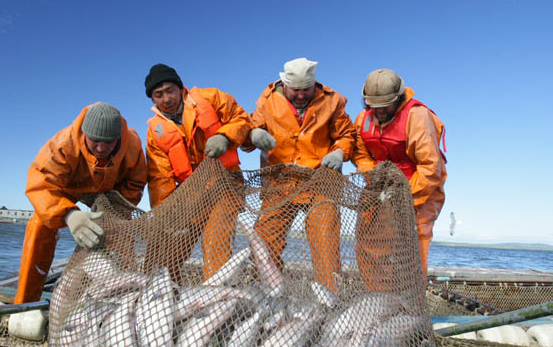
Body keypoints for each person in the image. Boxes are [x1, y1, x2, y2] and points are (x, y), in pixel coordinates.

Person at [13, 102, 147, 304]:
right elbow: (41, 184)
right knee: (39, 225)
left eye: (109, 142)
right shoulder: (63, 143)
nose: (101, 148)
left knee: (123, 233)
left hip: (111, 192)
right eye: (94, 141)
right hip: (69, 188)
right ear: (84, 133)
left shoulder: (133, 145)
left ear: (118, 138)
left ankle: (126, 301)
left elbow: (135, 183)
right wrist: (68, 214)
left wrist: (114, 209)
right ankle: (25, 302)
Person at [245, 57, 356, 291]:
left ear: (314, 84)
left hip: (321, 183)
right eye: (296, 90)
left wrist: (339, 153)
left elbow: (346, 135)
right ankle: (264, 293)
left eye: (306, 89)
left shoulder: (333, 101)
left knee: (325, 242)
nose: (301, 95)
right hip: (279, 183)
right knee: (264, 243)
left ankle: (329, 299)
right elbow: (246, 133)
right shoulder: (267, 101)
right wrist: (253, 136)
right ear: (284, 84)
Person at [143, 63, 251, 280]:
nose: (166, 98)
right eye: (158, 94)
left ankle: (215, 296)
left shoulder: (211, 97)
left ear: (180, 88)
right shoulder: (155, 130)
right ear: (153, 99)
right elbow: (159, 179)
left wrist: (225, 136)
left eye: (170, 91)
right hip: (190, 196)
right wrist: (166, 214)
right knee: (169, 251)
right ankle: (164, 293)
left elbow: (242, 119)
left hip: (225, 185)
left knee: (216, 245)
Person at [351, 69, 446, 281]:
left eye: (386, 106)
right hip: (379, 191)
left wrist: (401, 197)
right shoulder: (363, 118)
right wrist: (372, 177)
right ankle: (379, 299)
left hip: (419, 191)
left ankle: (411, 306)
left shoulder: (418, 117)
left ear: (398, 98)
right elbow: (360, 151)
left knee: (411, 250)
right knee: (369, 244)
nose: (380, 111)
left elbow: (430, 169)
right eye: (374, 107)